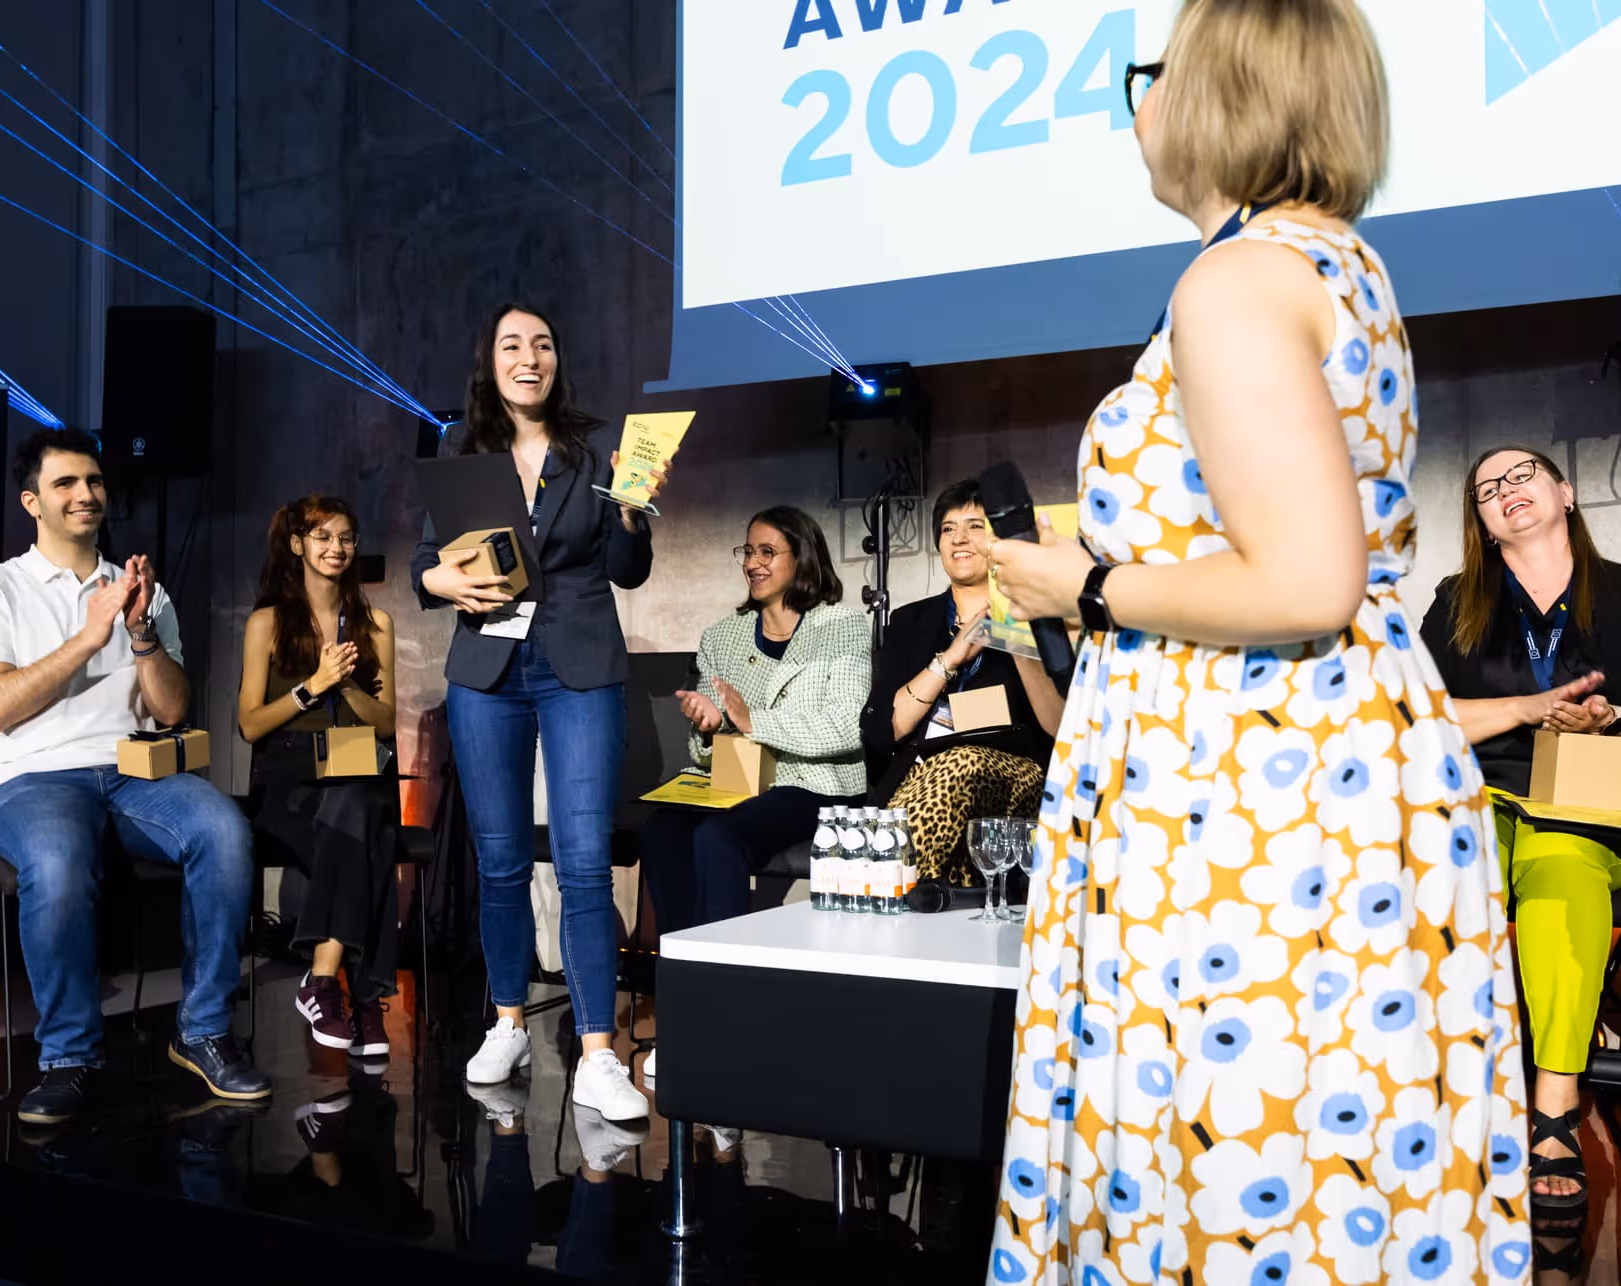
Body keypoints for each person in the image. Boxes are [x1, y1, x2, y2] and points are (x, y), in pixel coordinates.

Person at [977, 3, 1530, 1279]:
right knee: (1326, 1171)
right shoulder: (1333, 263)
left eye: (1152, 74)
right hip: (1308, 772)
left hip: (1250, 798)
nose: (1140, 103)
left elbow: (1304, 578)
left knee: (1239, 1166)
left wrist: (1086, 585)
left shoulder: (1235, 280)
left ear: (1219, 93)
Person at [0, 427, 268, 1126]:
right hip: (28, 780)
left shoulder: (142, 590)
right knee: (58, 859)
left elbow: (173, 710)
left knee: (223, 830)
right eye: (64, 483)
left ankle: (203, 1033)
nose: (84, 494)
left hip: (131, 774)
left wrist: (140, 633)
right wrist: (90, 638)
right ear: (32, 501)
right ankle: (68, 1057)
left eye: (93, 481)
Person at [409, 302, 666, 1125]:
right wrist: (441, 581)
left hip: (577, 667)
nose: (530, 357)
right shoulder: (462, 451)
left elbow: (627, 569)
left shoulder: (594, 451)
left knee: (585, 862)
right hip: (485, 671)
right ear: (490, 363)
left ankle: (596, 1054)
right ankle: (508, 1023)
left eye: (543, 344)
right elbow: (424, 563)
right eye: (513, 345)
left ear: (557, 361)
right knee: (500, 863)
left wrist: (630, 511)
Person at [1420, 444, 1621, 1211]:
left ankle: (1553, 1104)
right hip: (1482, 803)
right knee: (1420, 869)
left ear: (1565, 493)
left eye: (1521, 474)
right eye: (1486, 488)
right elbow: (1417, 719)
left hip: (1597, 810)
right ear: (1483, 523)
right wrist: (1523, 709)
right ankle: (1429, 1095)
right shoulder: (1456, 602)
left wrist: (1613, 718)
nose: (1505, 489)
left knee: (1558, 861)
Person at [641, 505, 870, 937]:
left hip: (815, 785)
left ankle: (723, 969)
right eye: (748, 551)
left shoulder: (842, 627)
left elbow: (843, 728)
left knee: (719, 836)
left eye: (767, 552)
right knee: (662, 832)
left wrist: (752, 721)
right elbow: (703, 754)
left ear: (802, 558)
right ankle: (683, 965)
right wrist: (708, 729)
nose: (752, 563)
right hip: (740, 782)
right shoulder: (721, 636)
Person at [238, 495, 400, 1059]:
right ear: (297, 545)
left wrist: (346, 684)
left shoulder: (375, 625)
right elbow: (250, 725)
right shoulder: (267, 623)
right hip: (289, 780)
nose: (337, 548)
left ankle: (323, 977)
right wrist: (313, 686)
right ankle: (366, 997)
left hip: (354, 768)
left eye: (346, 538)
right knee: (372, 834)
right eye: (323, 537)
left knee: (360, 803)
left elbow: (386, 722)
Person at [861, 479, 1062, 885]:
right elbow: (884, 731)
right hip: (920, 781)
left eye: (975, 526)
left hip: (1013, 782)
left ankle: (882, 881)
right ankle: (922, 889)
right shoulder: (909, 621)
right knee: (951, 765)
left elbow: (1056, 726)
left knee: (963, 760)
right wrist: (949, 659)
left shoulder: (1038, 616)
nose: (959, 539)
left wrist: (1013, 631)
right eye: (948, 529)